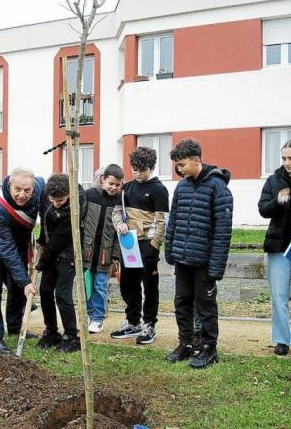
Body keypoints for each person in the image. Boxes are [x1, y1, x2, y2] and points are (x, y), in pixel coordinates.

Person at [164, 139, 233, 368]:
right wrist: (170, 249)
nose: (179, 169)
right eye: (177, 165)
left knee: (205, 306)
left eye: (182, 164)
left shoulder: (218, 187)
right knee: (181, 302)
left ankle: (208, 348)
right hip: (183, 259)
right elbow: (173, 220)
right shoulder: (182, 187)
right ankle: (186, 343)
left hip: (203, 262)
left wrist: (215, 268)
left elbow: (223, 232)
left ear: (196, 160)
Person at [257, 139, 291, 360]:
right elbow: (263, 209)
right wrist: (278, 202)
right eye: (284, 158)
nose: (287, 162)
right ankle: (281, 339)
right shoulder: (274, 180)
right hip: (278, 246)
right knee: (278, 295)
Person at [0, 167, 43, 354]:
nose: (22, 194)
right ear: (9, 185)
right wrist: (26, 281)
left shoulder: (39, 186)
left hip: (19, 242)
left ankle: (15, 326)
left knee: (16, 288)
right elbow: (6, 249)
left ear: (33, 188)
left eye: (27, 190)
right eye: (18, 189)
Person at [111, 147, 169, 345]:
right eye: (134, 168)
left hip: (148, 245)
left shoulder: (159, 190)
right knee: (128, 283)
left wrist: (154, 246)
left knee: (150, 286)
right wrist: (119, 224)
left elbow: (163, 222)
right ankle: (132, 321)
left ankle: (150, 324)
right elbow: (117, 212)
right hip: (129, 244)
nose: (137, 173)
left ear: (150, 168)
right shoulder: (126, 188)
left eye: (141, 169)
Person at [35, 174, 81, 352]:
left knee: (62, 295)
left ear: (69, 194)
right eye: (52, 199)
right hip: (51, 254)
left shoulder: (73, 210)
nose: (56, 203)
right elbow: (46, 227)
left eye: (60, 200)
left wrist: (42, 262)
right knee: (45, 290)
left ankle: (71, 335)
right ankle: (51, 331)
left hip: (67, 256)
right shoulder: (49, 202)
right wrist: (41, 241)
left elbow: (58, 240)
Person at [83, 164, 123, 333]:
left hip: (105, 253)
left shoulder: (119, 202)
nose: (113, 188)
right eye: (111, 184)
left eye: (117, 185)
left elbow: (118, 233)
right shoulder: (89, 195)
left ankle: (98, 317)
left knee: (100, 285)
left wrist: (115, 255)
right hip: (87, 251)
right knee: (86, 284)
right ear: (103, 180)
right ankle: (88, 312)